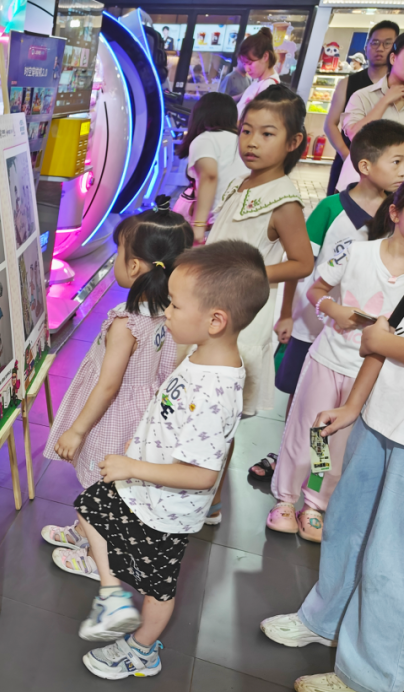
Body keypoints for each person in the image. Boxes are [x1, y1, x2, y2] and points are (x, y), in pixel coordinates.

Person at [71, 241, 266, 679]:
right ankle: (112, 595)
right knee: (89, 509)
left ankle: (142, 649)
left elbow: (203, 475)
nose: (167, 313)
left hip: (168, 509)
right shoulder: (202, 354)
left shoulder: (215, 391)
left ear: (215, 320)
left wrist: (132, 466)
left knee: (157, 588)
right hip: (144, 486)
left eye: (175, 305)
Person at [260, 281, 404, 692]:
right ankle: (328, 619)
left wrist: (382, 342)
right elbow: (386, 333)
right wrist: (354, 405)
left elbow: (381, 339)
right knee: (346, 524)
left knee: (390, 558)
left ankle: (374, 681)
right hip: (378, 416)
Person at [254, 120, 404, 505]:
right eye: (397, 161)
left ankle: (313, 492)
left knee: (330, 428)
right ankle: (287, 477)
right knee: (303, 410)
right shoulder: (330, 209)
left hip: (363, 352)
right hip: (315, 329)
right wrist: (288, 313)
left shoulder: (390, 220)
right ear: (366, 165)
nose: (402, 170)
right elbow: (302, 266)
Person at [42, 197, 191, 571]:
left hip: (112, 415)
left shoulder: (127, 322)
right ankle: (83, 530)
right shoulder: (167, 312)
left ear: (135, 265)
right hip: (139, 412)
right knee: (109, 487)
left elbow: (108, 386)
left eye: (119, 252)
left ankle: (98, 561)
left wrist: (77, 431)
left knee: (101, 487)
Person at [204, 85, 313, 522]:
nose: (251, 142)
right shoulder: (241, 182)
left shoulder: (284, 201)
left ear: (293, 141)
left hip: (242, 320)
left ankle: (209, 500)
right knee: (202, 407)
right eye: (246, 130)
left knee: (220, 417)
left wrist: (248, 274)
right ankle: (197, 490)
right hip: (212, 308)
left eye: (267, 134)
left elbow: (302, 261)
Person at [326, 21, 399, 195]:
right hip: (348, 163)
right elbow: (330, 124)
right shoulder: (348, 84)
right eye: (375, 43)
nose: (380, 48)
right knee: (337, 206)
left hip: (388, 174)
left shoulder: (397, 89)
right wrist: (347, 156)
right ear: (366, 47)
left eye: (387, 43)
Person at [174, 92, 245, 244]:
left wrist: (198, 226)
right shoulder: (242, 141)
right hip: (243, 220)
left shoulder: (205, 139)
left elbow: (209, 176)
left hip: (219, 226)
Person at [236, 28, 282, 120]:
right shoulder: (260, 81)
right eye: (244, 64)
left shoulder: (269, 86)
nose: (247, 68)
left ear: (265, 56)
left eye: (250, 63)